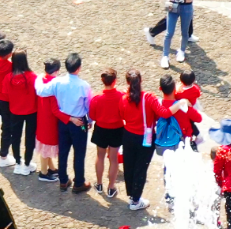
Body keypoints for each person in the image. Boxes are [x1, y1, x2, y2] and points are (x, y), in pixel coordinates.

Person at [34, 53, 93, 194]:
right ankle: (79, 182)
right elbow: (89, 106)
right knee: (79, 153)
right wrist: (90, 121)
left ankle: (63, 180)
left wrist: (38, 78)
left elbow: (41, 91)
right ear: (79, 68)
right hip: (79, 122)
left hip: (63, 121)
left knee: (63, 152)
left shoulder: (57, 82)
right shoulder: (84, 86)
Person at [121, 69, 171, 210]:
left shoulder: (124, 98)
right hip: (145, 138)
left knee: (129, 166)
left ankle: (132, 196)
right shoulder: (148, 97)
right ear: (141, 81)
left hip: (128, 136)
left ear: (127, 82)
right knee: (140, 169)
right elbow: (163, 113)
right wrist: (179, 104)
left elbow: (122, 115)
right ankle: (135, 200)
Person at [89, 68, 124, 198]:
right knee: (113, 159)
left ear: (102, 80)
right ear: (115, 81)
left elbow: (92, 115)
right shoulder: (121, 96)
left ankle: (99, 184)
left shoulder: (97, 97)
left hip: (101, 129)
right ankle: (111, 187)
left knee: (100, 156)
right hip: (117, 129)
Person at [3, 49, 39, 174]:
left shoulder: (8, 78)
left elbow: (6, 94)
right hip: (32, 112)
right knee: (30, 138)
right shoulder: (33, 77)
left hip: (15, 112)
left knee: (15, 137)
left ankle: (18, 162)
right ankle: (27, 163)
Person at [35, 59, 62, 182]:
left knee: (44, 146)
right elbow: (55, 109)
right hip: (50, 121)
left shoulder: (41, 80)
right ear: (56, 71)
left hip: (42, 117)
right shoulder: (54, 86)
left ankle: (51, 168)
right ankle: (43, 172)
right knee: (46, 148)